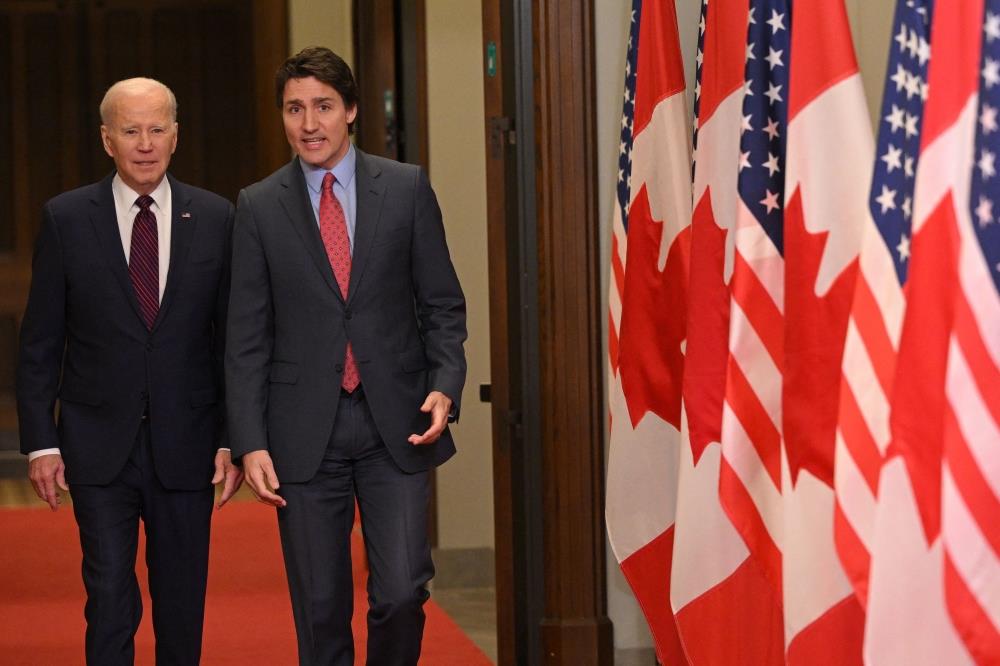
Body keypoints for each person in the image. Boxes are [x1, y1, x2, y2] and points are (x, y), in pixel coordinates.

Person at [226, 46, 467, 665]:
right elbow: (246, 336)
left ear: (352, 110)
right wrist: (249, 440)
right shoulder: (258, 205)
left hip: (397, 422)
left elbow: (442, 303)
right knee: (319, 607)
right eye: (294, 109)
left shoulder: (406, 188)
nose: (309, 124)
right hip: (303, 431)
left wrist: (445, 383)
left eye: (324, 106)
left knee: (403, 591)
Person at [15, 77, 242, 665]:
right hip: (97, 445)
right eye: (131, 130)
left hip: (188, 442)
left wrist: (231, 439)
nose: (146, 144)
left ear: (176, 136)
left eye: (157, 129)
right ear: (106, 139)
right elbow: (40, 342)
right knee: (110, 598)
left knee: (181, 603)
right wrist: (41, 443)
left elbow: (232, 343)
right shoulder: (67, 218)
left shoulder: (215, 217)